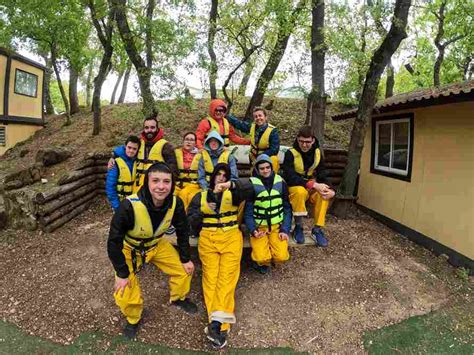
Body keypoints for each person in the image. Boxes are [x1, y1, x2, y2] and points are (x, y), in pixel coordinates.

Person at [107, 163, 197, 340]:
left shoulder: (175, 203)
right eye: (155, 180)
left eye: (166, 181)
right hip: (130, 248)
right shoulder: (128, 206)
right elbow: (113, 242)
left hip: (156, 245)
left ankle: (178, 297)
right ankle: (133, 318)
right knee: (124, 290)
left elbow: (183, 230)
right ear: (147, 182)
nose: (161, 186)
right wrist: (121, 272)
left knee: (184, 270)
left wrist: (186, 258)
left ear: (172, 184)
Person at [187, 163, 250, 349]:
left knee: (227, 278)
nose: (221, 178)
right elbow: (189, 221)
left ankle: (217, 325)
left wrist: (231, 185)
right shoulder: (200, 196)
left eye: (225, 175)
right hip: (208, 238)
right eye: (218, 175)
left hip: (231, 237)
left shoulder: (235, 193)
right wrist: (203, 211)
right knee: (211, 279)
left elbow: (251, 188)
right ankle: (217, 323)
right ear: (212, 177)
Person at [281, 125, 335, 247]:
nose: (304, 145)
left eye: (307, 142)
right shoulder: (290, 153)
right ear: (297, 139)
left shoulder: (317, 153)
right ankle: (298, 227)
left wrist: (331, 190)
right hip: (295, 187)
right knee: (300, 192)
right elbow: (289, 176)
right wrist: (313, 184)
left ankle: (317, 229)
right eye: (301, 141)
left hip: (311, 187)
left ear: (313, 140)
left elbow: (323, 173)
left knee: (324, 194)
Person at [244, 154, 292, 274]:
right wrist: (253, 230)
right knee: (261, 257)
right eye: (262, 168)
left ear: (271, 167)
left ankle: (272, 254)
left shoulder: (281, 182)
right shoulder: (252, 185)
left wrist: (285, 229)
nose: (265, 170)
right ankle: (261, 262)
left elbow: (287, 208)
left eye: (267, 167)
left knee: (282, 257)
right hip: (260, 227)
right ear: (257, 170)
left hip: (277, 227)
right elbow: (248, 212)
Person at [227, 106, 280, 171]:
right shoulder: (252, 126)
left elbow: (274, 149)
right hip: (253, 157)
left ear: (265, 117)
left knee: (274, 159)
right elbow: (240, 125)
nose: (258, 118)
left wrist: (261, 157)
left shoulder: (273, 131)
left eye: (260, 115)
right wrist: (227, 116)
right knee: (255, 178)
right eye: (256, 116)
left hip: (267, 158)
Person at [134, 115, 178, 192]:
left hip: (156, 188)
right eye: (146, 128)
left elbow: (173, 170)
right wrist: (114, 156)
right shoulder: (138, 143)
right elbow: (126, 151)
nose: (149, 130)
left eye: (152, 127)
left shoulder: (165, 146)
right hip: (138, 187)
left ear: (157, 128)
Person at [105, 135, 140, 212]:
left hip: (134, 202)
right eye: (129, 147)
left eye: (134, 149)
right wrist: (117, 206)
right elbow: (110, 187)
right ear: (125, 146)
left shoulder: (137, 162)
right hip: (120, 203)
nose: (131, 151)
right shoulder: (115, 163)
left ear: (138, 150)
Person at [174, 132, 201, 210]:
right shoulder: (176, 153)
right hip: (178, 183)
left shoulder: (200, 155)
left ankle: (184, 218)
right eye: (187, 139)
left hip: (192, 184)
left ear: (195, 143)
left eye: (191, 140)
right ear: (183, 141)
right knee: (170, 193)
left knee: (184, 194)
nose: (188, 142)